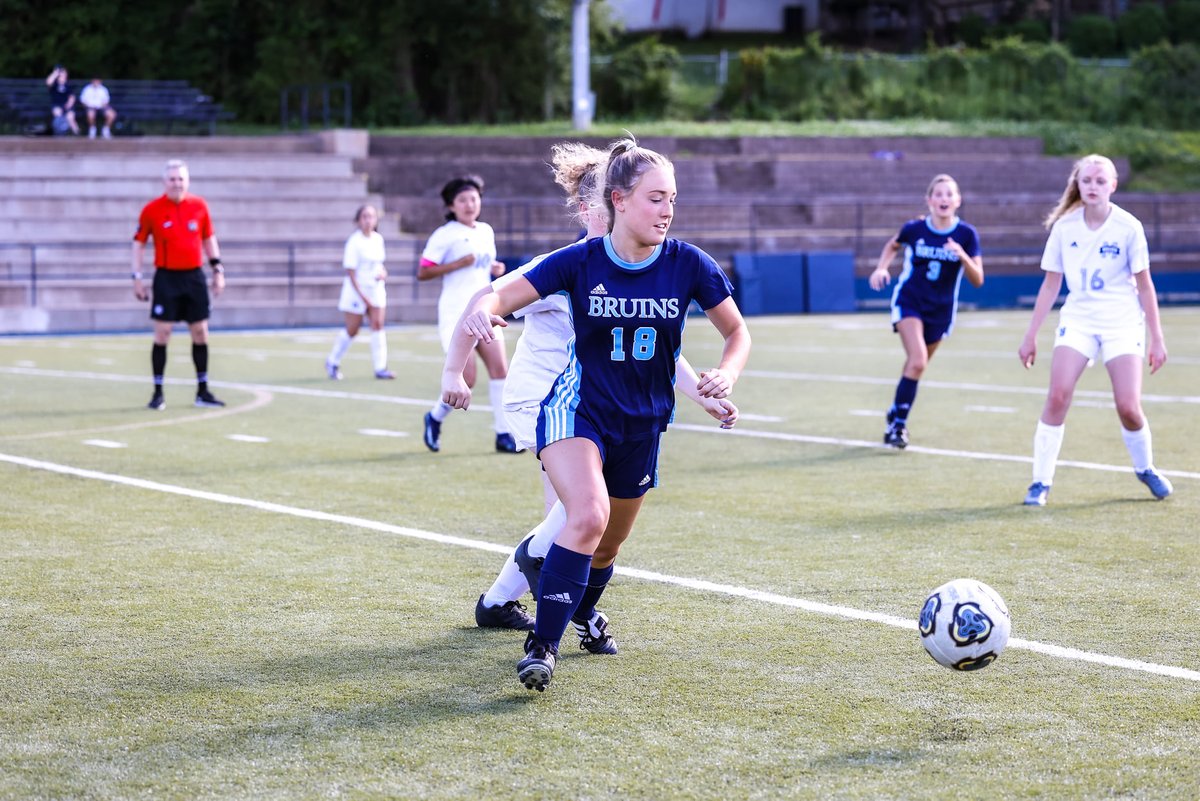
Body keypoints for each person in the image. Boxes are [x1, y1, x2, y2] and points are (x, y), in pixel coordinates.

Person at [442, 136, 752, 692]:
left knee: (601, 539)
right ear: (615, 202)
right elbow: (491, 297)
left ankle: (523, 597)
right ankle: (543, 644)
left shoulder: (685, 264)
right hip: (563, 406)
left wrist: (716, 383)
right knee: (583, 516)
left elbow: (695, 343)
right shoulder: (574, 261)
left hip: (641, 421)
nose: (668, 209)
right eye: (656, 198)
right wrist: (466, 350)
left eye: (672, 199)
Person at [1018, 154, 1172, 506]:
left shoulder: (1128, 227)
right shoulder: (1065, 227)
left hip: (1122, 322)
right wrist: (1030, 335)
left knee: (1129, 407)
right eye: (1087, 180)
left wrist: (1158, 338)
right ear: (1078, 184)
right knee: (1057, 396)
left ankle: (1145, 468)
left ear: (1112, 186)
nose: (1093, 186)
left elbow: (1145, 286)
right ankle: (1040, 482)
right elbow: (1050, 285)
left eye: (1101, 181)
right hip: (1079, 320)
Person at [869, 174, 984, 448]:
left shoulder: (966, 235)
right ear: (929, 200)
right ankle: (899, 426)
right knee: (918, 360)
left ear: (958, 201)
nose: (944, 199)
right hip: (910, 301)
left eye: (949, 194)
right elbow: (893, 244)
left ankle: (895, 411)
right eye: (939, 194)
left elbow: (978, 279)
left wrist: (962, 256)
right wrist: (882, 267)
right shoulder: (915, 229)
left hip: (941, 311)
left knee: (917, 367)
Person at [418, 174, 519, 453]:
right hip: (456, 313)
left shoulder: (485, 230)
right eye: (462, 200)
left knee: (500, 370)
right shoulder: (444, 234)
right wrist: (459, 263)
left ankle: (502, 435)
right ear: (451, 206)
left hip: (484, 310)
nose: (469, 204)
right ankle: (435, 417)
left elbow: (482, 270)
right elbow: (423, 271)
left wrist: (494, 269)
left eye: (474, 198)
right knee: (467, 378)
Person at [132, 159, 226, 411]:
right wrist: (137, 277)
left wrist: (218, 270)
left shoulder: (199, 206)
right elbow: (139, 243)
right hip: (167, 278)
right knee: (163, 334)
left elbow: (209, 238)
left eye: (181, 179)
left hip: (194, 277)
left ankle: (202, 391)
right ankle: (158, 392)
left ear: (187, 181)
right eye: (172, 179)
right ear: (165, 182)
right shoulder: (152, 209)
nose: (177, 183)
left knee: (200, 332)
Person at [325, 205, 395, 380]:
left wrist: (383, 273)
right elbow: (351, 272)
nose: (368, 220)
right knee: (352, 330)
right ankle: (332, 360)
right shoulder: (354, 242)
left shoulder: (378, 239)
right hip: (357, 292)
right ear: (358, 220)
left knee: (378, 325)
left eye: (371, 216)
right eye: (364, 217)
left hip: (376, 289)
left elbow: (379, 265)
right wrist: (364, 297)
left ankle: (380, 368)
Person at [45, 66, 79, 135]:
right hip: (56, 105)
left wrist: (69, 104)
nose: (63, 75)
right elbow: (48, 82)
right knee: (58, 115)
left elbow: (72, 97)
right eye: (61, 74)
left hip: (67, 105)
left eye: (64, 74)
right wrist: (55, 73)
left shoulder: (68, 85)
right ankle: (60, 133)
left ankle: (77, 134)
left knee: (70, 117)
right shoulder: (54, 84)